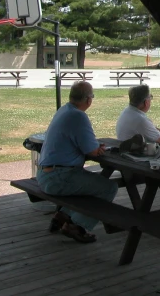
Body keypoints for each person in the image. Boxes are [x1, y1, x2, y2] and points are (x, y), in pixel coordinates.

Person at [37, 81, 118, 243]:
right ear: (88, 100)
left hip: (46, 173)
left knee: (90, 185)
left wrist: (92, 147)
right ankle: (77, 226)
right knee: (108, 188)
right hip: (59, 177)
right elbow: (92, 151)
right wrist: (97, 149)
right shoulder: (78, 116)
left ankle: (62, 216)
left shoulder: (64, 110)